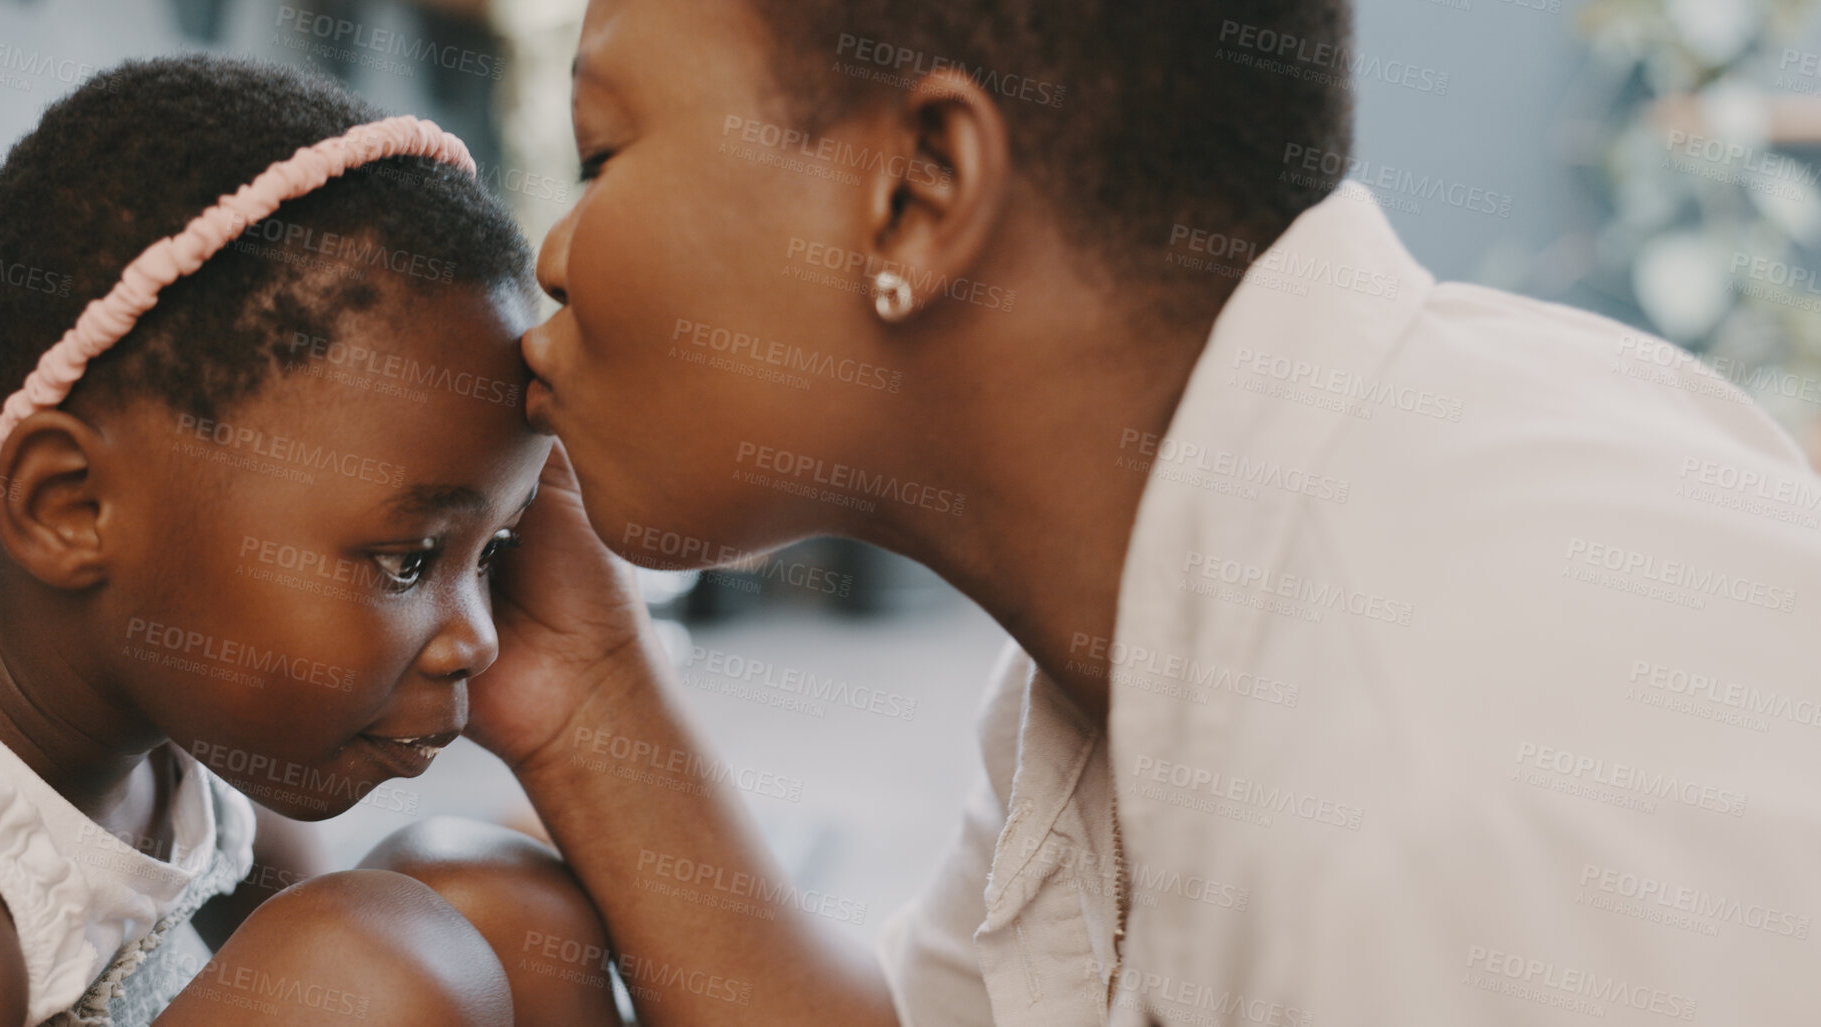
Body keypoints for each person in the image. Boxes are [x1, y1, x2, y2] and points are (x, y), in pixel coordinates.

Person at [470, 0, 1821, 1023]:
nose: (552, 253)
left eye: (601, 152)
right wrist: (585, 697)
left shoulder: (1426, 791)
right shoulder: (1162, 598)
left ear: (915, 190)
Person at [0, 55, 618, 1027]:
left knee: (491, 900)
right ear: (73, 507)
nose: (478, 637)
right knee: (374, 971)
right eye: (410, 559)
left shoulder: (175, 757)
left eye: (494, 553)